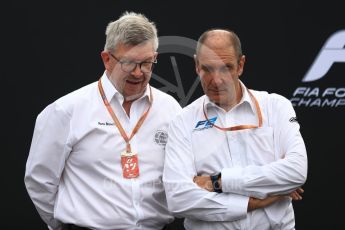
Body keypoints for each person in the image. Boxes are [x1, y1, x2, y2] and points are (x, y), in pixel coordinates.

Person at [24, 11, 182, 230]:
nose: (138, 73)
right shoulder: (67, 111)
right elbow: (40, 180)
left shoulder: (170, 108)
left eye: (147, 63)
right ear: (107, 59)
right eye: (129, 64)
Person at [163, 29, 308, 229]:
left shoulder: (275, 106)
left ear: (241, 65)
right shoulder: (183, 120)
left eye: (226, 68)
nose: (217, 80)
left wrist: (217, 182)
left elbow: (296, 172)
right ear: (196, 66)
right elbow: (178, 198)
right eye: (207, 69)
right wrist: (253, 201)